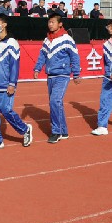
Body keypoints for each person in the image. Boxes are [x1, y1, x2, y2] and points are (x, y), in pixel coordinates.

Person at [0, 14, 33, 149]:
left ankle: (25, 129)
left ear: (4, 25)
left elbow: (14, 65)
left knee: (6, 110)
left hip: (7, 84)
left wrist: (12, 83)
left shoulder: (12, 43)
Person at [33, 14, 81, 142]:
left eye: (53, 22)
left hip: (62, 75)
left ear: (60, 24)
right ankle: (64, 131)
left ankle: (56, 131)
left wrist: (76, 73)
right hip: (50, 75)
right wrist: (37, 68)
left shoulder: (67, 39)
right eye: (49, 22)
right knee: (56, 103)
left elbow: (75, 57)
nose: (50, 24)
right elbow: (42, 55)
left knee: (55, 101)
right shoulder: (47, 40)